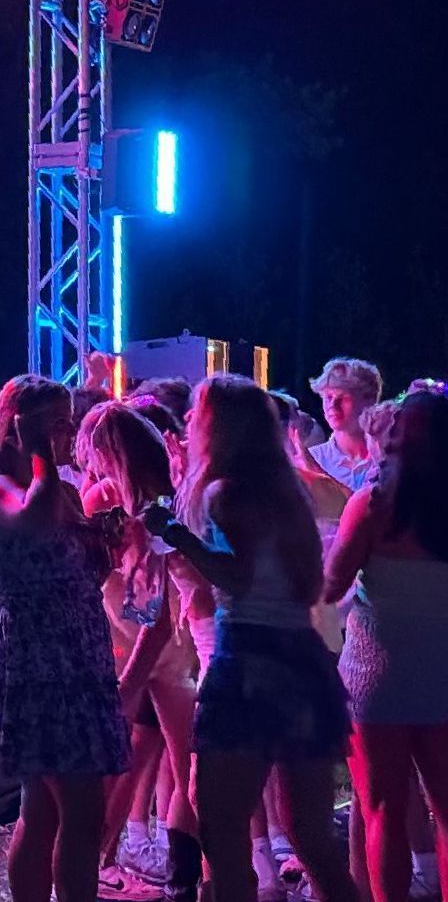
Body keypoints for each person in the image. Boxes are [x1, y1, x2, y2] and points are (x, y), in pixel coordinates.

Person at [140, 375, 358, 902]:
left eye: (196, 414)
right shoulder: (288, 494)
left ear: (220, 427)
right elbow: (309, 584)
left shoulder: (224, 493)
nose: (188, 422)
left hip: (248, 662)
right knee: (310, 832)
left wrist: (175, 536)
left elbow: (236, 578)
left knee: (220, 822)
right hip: (301, 661)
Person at [0, 375, 130, 902]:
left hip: (80, 655)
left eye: (68, 421)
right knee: (82, 812)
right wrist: (39, 456)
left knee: (44, 810)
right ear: (17, 425)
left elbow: (83, 575)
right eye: (54, 422)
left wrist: (109, 543)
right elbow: (33, 522)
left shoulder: (60, 488)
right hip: (40, 659)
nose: (66, 433)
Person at [325, 388, 448, 902]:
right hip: (442, 669)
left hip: (376, 676)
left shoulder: (372, 503)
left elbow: (332, 585)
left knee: (381, 811)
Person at [83, 402, 203, 902]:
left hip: (154, 639)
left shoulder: (140, 503)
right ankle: (112, 865)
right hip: (151, 639)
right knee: (171, 761)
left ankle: (111, 866)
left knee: (175, 761)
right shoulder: (139, 499)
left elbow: (146, 595)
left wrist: (129, 678)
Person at [308, 358, 384, 493]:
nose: (332, 405)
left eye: (343, 397)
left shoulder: (388, 460)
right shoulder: (313, 459)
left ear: (369, 400)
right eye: (328, 397)